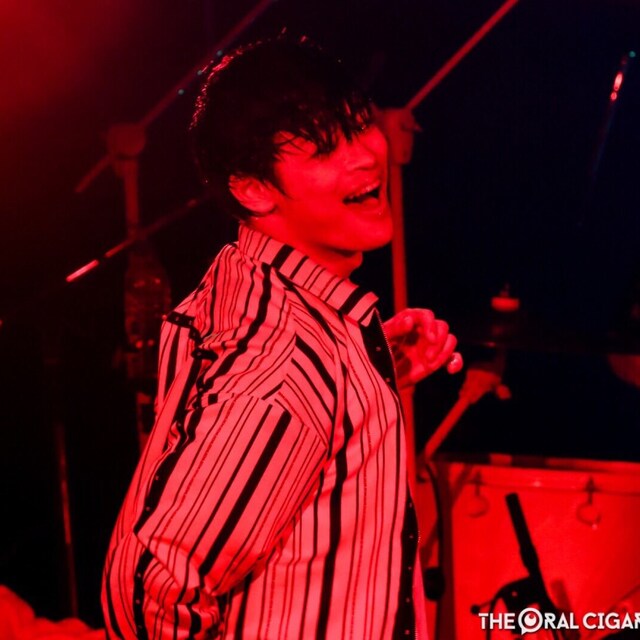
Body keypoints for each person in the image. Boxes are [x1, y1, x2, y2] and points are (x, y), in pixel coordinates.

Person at [102, 36, 462, 639]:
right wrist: (324, 376)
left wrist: (371, 367)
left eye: (359, 125)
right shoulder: (287, 365)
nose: (365, 156)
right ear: (251, 188)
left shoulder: (260, 297)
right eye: (325, 147)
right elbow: (150, 588)